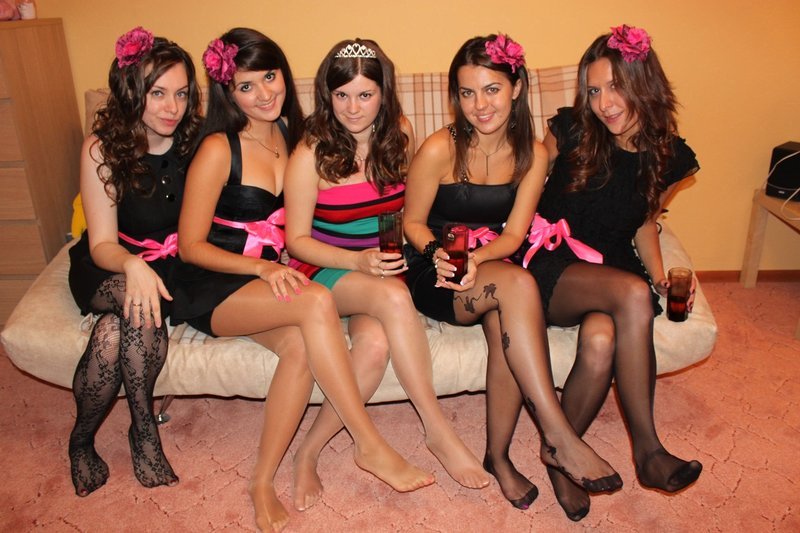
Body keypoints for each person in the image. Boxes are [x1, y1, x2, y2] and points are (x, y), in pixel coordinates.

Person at [172, 28, 432, 533]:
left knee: (298, 350)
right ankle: (367, 442)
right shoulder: (219, 149)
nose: (263, 94)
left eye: (270, 77)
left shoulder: (296, 134)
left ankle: (263, 479)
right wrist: (263, 267)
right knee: (313, 303)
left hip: (269, 283)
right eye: (246, 86)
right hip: (214, 282)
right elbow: (190, 246)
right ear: (228, 93)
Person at [488, 25, 703, 521]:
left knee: (604, 338)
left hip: (609, 268)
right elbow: (521, 180)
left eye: (615, 87)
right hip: (550, 259)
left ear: (644, 84)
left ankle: (560, 457)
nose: (604, 103)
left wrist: (661, 277)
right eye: (593, 90)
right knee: (632, 295)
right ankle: (648, 450)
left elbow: (645, 223)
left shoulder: (671, 157)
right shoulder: (570, 130)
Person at [402, 33, 623, 512]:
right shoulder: (439, 148)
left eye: (492, 89)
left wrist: (478, 259)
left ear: (516, 87)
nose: (480, 105)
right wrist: (439, 253)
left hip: (488, 262)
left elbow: (514, 235)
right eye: (467, 93)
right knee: (518, 284)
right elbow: (411, 222)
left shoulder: (533, 155)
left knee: (506, 314)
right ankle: (557, 434)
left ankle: (497, 456)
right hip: (435, 270)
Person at [284, 38, 490, 512]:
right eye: (341, 95)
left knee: (374, 347)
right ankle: (437, 429)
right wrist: (357, 262)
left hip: (383, 267)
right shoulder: (309, 153)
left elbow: (414, 209)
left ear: (384, 93)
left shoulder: (400, 133)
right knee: (396, 300)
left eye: (365, 94)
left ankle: (307, 452)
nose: (352, 108)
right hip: (327, 266)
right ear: (327, 95)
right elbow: (295, 241)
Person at [67, 27, 203, 496]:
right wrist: (132, 265)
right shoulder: (101, 147)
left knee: (112, 333)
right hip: (112, 263)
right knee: (135, 301)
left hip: (171, 268)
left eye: (181, 94)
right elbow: (102, 243)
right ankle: (144, 430)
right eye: (157, 93)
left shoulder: (196, 142)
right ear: (131, 92)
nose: (172, 107)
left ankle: (82, 440)